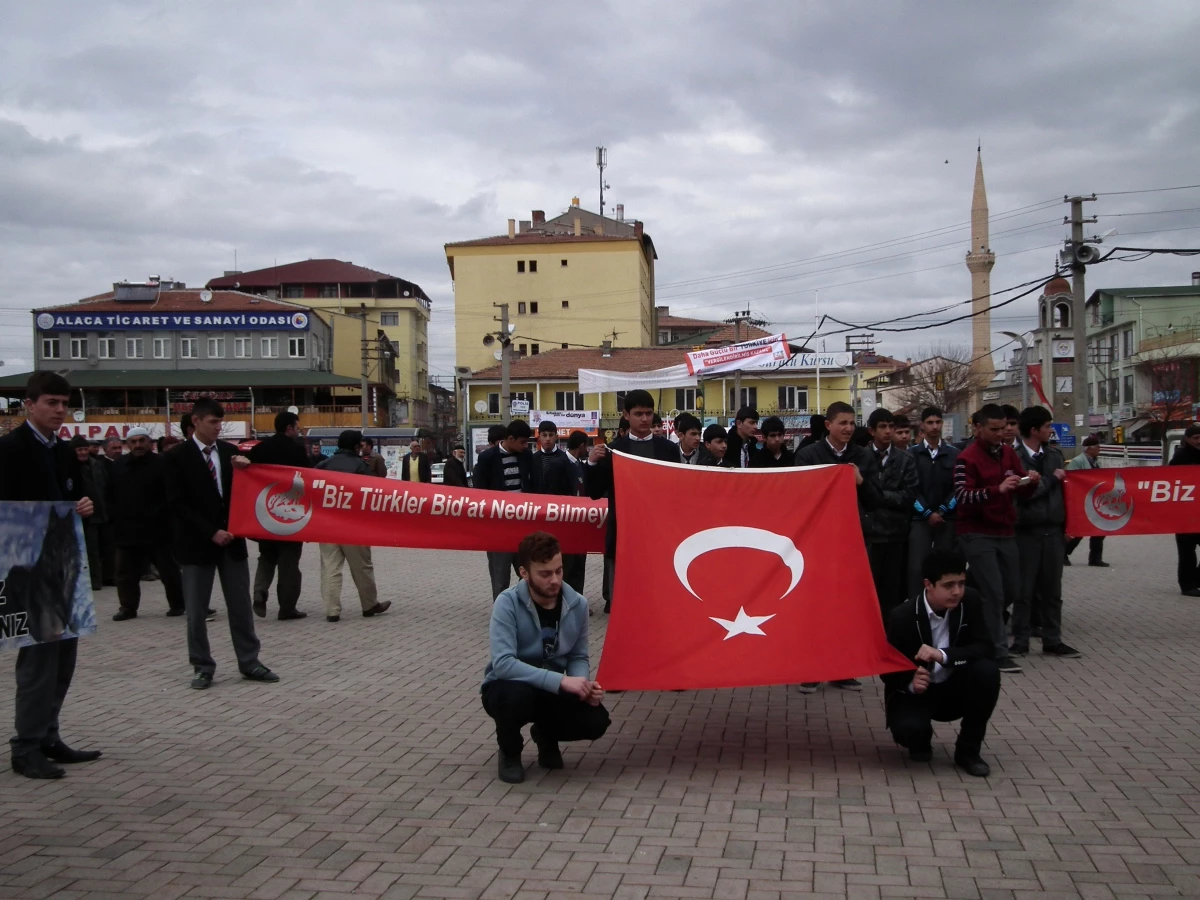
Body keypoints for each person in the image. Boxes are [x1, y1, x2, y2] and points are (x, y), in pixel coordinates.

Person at [0, 371, 100, 779]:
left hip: (65, 571)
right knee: (38, 661)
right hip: (27, 572)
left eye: (64, 404)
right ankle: (24, 746)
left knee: (64, 658)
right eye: (51, 403)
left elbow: (71, 503)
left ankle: (48, 735)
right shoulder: (8, 450)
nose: (60, 411)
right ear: (29, 404)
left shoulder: (63, 452)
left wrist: (85, 509)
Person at [164, 398, 279, 690]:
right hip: (196, 544)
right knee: (197, 610)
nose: (218, 427)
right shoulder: (176, 457)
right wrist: (210, 531)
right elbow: (176, 504)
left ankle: (249, 661)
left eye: (220, 422)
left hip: (232, 542)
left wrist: (246, 469)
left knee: (240, 605)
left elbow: (247, 493)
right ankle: (202, 666)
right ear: (196, 422)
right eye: (213, 422)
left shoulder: (230, 454)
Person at [481, 531, 610, 784]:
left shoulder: (578, 604)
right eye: (545, 573)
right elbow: (503, 664)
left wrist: (582, 685)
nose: (555, 580)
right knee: (515, 697)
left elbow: (578, 655)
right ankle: (510, 752)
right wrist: (562, 682)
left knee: (597, 721)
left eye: (559, 571)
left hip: (549, 688)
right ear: (524, 572)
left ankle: (545, 735)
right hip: (508, 685)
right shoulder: (506, 604)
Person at [882, 549, 999, 778]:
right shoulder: (903, 616)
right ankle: (920, 738)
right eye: (948, 585)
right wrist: (909, 680)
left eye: (961, 583)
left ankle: (968, 751)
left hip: (955, 687)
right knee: (911, 735)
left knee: (988, 672)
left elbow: (986, 647)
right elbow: (887, 669)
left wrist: (944, 655)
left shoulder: (971, 601)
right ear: (928, 584)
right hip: (919, 694)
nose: (957, 592)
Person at [794, 401, 881, 692]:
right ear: (828, 425)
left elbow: (875, 499)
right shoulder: (808, 455)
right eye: (842, 423)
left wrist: (860, 482)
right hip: (818, 542)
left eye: (852, 423)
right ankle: (811, 667)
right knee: (815, 606)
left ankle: (842, 668)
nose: (848, 428)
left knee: (848, 607)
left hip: (854, 540)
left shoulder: (864, 456)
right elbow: (800, 498)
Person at [952, 403, 1038, 676]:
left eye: (1004, 429)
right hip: (976, 532)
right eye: (994, 429)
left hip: (1005, 531)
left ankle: (968, 616)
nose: (1001, 434)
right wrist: (996, 490)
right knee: (994, 593)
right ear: (978, 428)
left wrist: (1030, 482)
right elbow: (962, 497)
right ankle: (998, 652)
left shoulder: (1009, 454)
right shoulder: (967, 458)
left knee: (1014, 589)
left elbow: (1019, 491)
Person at [587, 390, 681, 612]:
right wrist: (591, 464)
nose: (645, 419)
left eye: (648, 413)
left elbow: (676, 493)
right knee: (622, 602)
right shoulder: (614, 451)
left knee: (659, 601)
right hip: (623, 537)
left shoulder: (668, 450)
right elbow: (594, 492)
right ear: (626, 415)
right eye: (638, 413)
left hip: (660, 538)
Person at [1010, 405, 1080, 659]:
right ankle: (1020, 640)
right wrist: (1050, 479)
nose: (1051, 431)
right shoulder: (1014, 458)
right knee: (1024, 590)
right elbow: (1022, 495)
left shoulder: (1054, 456)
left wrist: (1069, 526)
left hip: (1053, 532)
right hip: (1027, 532)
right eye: (1048, 426)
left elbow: (1064, 494)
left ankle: (1053, 639)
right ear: (1034, 430)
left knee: (1052, 590)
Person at [110, 427, 186, 620]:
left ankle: (178, 605)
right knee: (125, 573)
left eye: (141, 441)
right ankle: (127, 608)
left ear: (149, 443)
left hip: (158, 528)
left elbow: (173, 494)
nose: (138, 445)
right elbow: (110, 494)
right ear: (128, 444)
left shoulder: (162, 463)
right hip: (127, 529)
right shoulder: (119, 465)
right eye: (133, 441)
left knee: (169, 571)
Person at [315, 430, 391, 622]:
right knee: (362, 567)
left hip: (326, 524)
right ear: (357, 447)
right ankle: (369, 605)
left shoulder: (322, 465)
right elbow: (369, 496)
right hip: (353, 526)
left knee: (330, 568)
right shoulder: (360, 466)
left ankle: (332, 610)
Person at [248, 411, 310, 621]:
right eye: (297, 427)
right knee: (289, 563)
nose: (298, 431)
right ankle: (287, 607)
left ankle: (259, 591)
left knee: (266, 557)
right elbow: (307, 479)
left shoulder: (258, 450)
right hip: (290, 515)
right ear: (289, 428)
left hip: (265, 512)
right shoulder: (296, 451)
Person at [862, 408, 918, 618]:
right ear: (872, 431)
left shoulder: (905, 459)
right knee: (869, 590)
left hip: (896, 533)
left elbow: (909, 496)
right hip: (870, 534)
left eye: (890, 426)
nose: (888, 431)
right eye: (883, 427)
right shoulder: (862, 457)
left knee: (892, 591)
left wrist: (877, 495)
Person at [474, 420, 534, 599]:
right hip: (498, 527)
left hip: (523, 524)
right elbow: (479, 492)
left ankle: (528, 607)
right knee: (500, 575)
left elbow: (533, 486)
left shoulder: (527, 456)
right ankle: (503, 612)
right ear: (510, 439)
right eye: (522, 442)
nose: (525, 446)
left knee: (529, 570)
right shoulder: (487, 458)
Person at [529, 420, 586, 597]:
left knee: (568, 559)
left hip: (563, 515)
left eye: (550, 435)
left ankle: (571, 595)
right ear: (539, 437)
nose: (547, 439)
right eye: (543, 435)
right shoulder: (533, 459)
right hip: (539, 513)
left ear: (556, 436)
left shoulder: (564, 459)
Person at [908, 407, 960, 598]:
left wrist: (944, 510)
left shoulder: (954, 454)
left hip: (947, 519)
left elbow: (959, 487)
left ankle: (943, 607)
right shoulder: (911, 454)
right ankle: (916, 609)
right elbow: (910, 489)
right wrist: (927, 513)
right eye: (930, 422)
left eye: (938, 422)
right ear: (922, 426)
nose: (935, 426)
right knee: (916, 568)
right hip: (920, 518)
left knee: (945, 568)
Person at [69, 435, 114, 591]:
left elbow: (105, 486)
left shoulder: (96, 465)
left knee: (107, 547)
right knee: (92, 550)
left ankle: (109, 576)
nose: (83, 452)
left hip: (102, 511)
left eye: (84, 449)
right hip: (87, 516)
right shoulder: (70, 468)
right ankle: (95, 580)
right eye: (79, 449)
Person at [1064, 435, 1107, 567]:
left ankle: (1095, 558)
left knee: (1099, 530)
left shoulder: (1096, 461)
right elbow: (1070, 478)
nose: (1099, 449)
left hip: (1095, 500)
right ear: (1089, 449)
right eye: (1097, 447)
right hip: (1082, 500)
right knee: (1080, 531)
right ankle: (1063, 553)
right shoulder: (1077, 462)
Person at [1169, 423, 1200, 597]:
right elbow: (1170, 481)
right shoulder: (1180, 457)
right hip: (1184, 513)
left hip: (1199, 511)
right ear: (1187, 439)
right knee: (1187, 552)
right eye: (1196, 438)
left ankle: (1196, 579)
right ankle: (1187, 585)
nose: (1199, 441)